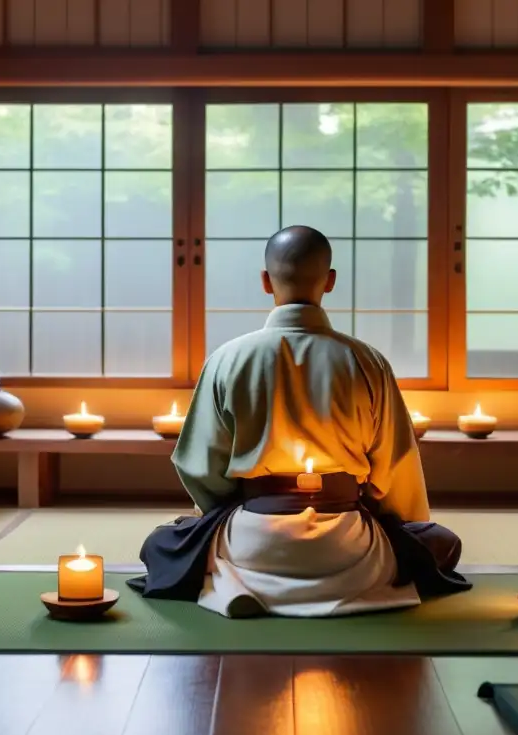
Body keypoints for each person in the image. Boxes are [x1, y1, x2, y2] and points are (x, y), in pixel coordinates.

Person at [127, 225, 470, 617]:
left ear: (264, 281)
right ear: (331, 281)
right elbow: (394, 468)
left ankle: (242, 585)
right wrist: (397, 527)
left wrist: (228, 509)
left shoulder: (228, 359)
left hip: (252, 543)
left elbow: (201, 467)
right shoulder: (367, 361)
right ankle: (356, 589)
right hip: (351, 548)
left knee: (162, 544)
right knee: (440, 543)